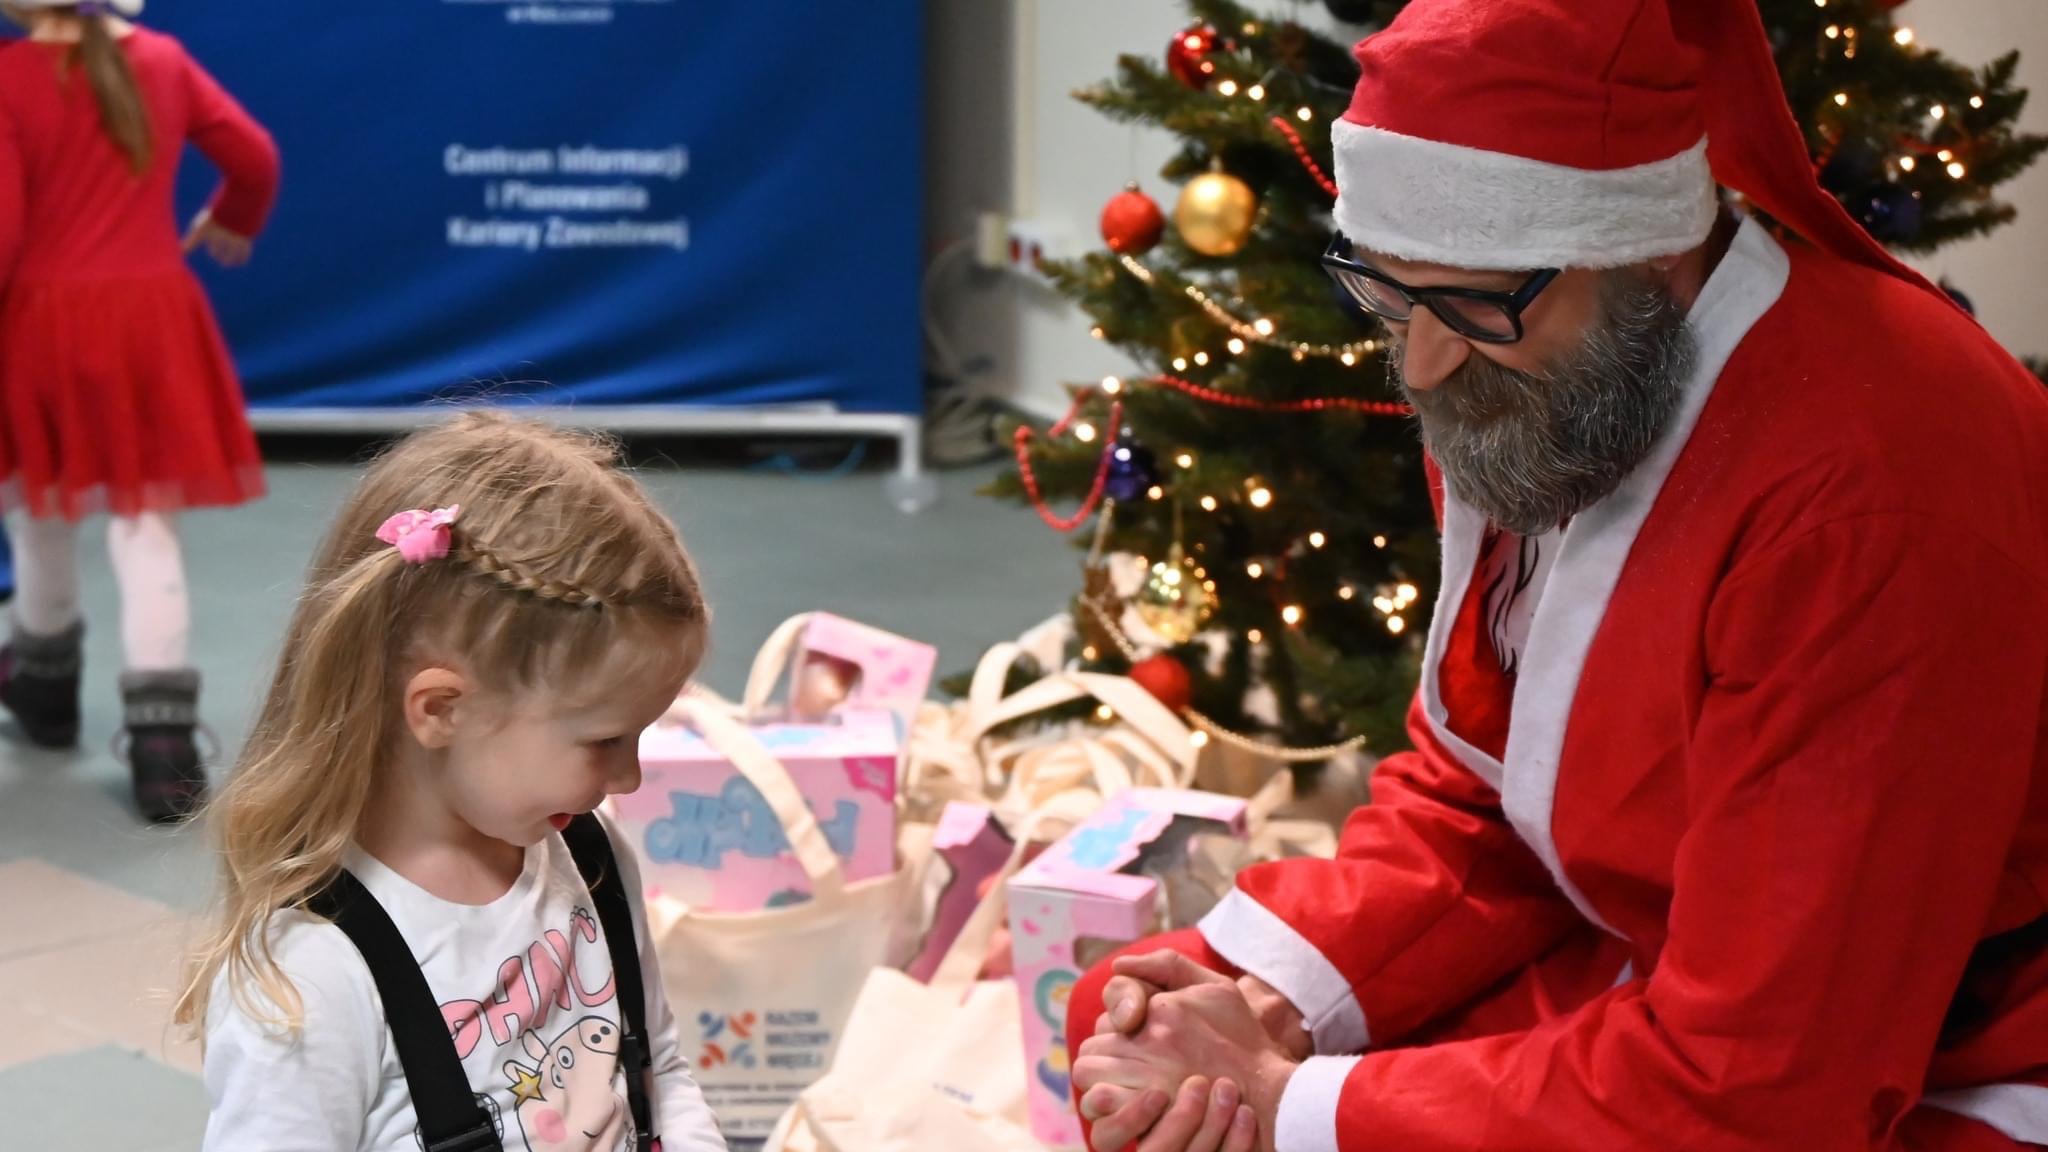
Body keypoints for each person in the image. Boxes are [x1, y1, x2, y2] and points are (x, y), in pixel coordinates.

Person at [1068, 1, 2048, 1150]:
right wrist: (1256, 1004)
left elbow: (1761, 1084)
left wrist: (1293, 1104)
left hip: (1932, 1045)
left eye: (1469, 305)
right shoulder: (1550, 375)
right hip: (1664, 947)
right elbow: (1487, 791)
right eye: (1383, 288)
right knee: (1134, 1031)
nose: (1422, 366)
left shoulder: (1866, 503)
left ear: (1645, 250)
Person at [174, 413, 728, 1152]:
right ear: (442, 710)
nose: (627, 777)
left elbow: (656, 1064)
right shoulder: (311, 976)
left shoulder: (590, 858)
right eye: (604, 741)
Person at [0, 0, 278, 821]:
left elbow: (6, 231)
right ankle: (165, 753)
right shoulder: (162, 58)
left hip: (38, 324)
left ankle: (45, 690)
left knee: (39, 507)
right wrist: (232, 220)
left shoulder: (10, 77)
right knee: (146, 526)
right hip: (152, 322)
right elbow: (253, 157)